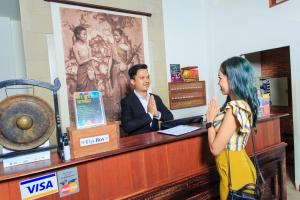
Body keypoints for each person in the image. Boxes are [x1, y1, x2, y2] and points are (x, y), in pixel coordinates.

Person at [206, 56, 259, 200]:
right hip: (237, 169)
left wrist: (209, 122)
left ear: (232, 78)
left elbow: (215, 149)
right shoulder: (241, 104)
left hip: (234, 176)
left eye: (220, 78)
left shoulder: (235, 107)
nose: (218, 82)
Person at [121, 64, 174, 135]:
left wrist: (156, 114)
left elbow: (170, 117)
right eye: (142, 78)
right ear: (133, 81)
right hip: (139, 143)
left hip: (157, 141)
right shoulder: (127, 101)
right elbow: (127, 127)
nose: (147, 81)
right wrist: (150, 115)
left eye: (148, 77)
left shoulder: (155, 98)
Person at [72, 25, 97, 91]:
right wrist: (91, 58)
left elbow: (92, 61)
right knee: (81, 86)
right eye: (84, 34)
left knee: (92, 89)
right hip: (81, 71)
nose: (86, 36)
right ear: (78, 36)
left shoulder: (87, 46)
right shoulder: (75, 47)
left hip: (90, 70)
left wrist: (95, 71)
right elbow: (79, 62)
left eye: (86, 34)